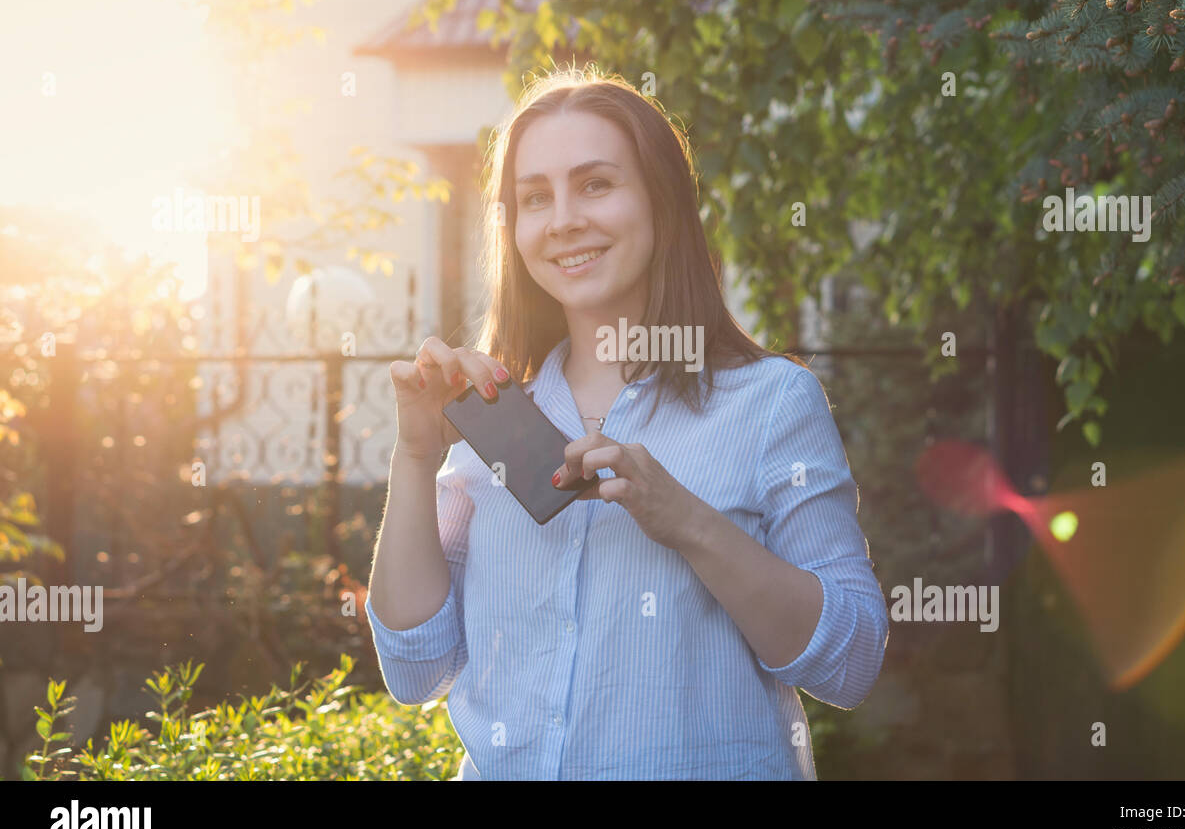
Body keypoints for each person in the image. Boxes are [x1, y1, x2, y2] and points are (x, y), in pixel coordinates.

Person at [367, 65, 889, 780]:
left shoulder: (770, 404)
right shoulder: (494, 413)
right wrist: (416, 453)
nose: (564, 220)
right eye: (534, 198)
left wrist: (689, 522)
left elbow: (851, 663)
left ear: (663, 202)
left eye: (596, 184)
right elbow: (415, 667)